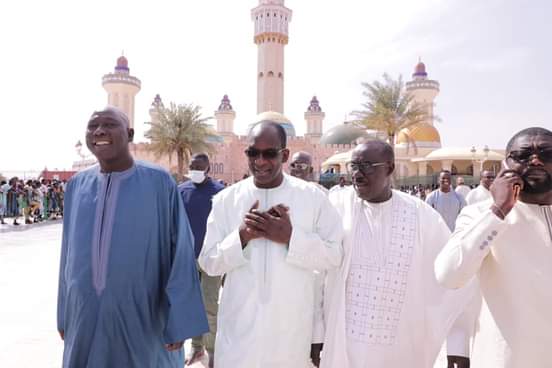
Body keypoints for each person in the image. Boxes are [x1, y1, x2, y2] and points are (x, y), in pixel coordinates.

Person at [57, 106, 208, 368]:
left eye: (109, 124)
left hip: (144, 318)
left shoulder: (158, 182)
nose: (100, 131)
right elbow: (67, 256)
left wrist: (180, 319)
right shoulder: (76, 186)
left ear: (129, 133)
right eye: (93, 126)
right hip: (86, 316)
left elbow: (181, 251)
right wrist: (64, 313)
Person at [199, 121, 343, 368]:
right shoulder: (226, 200)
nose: (260, 161)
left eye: (269, 153)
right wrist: (242, 237)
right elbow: (209, 262)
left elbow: (334, 255)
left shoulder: (313, 198)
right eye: (253, 153)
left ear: (284, 155)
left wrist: (290, 238)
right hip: (239, 339)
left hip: (289, 339)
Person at [321, 141, 476, 368]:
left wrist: (458, 343)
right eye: (353, 166)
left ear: (390, 168)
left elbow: (454, 278)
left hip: (402, 347)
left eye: (366, 166)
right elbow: (316, 273)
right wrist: (316, 334)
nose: (357, 174)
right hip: (344, 345)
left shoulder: (421, 215)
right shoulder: (337, 207)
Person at [435, 127, 552, 368]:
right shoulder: (480, 215)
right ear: (506, 165)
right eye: (523, 155)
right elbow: (448, 274)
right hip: (508, 359)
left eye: (547, 153)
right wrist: (498, 211)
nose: (536, 160)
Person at [179, 153, 225, 368]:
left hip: (212, 258)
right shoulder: (181, 191)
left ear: (208, 168)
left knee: (209, 306)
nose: (195, 169)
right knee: (191, 305)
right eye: (192, 166)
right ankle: (196, 348)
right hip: (187, 259)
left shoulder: (220, 193)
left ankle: (213, 351)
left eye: (199, 166)